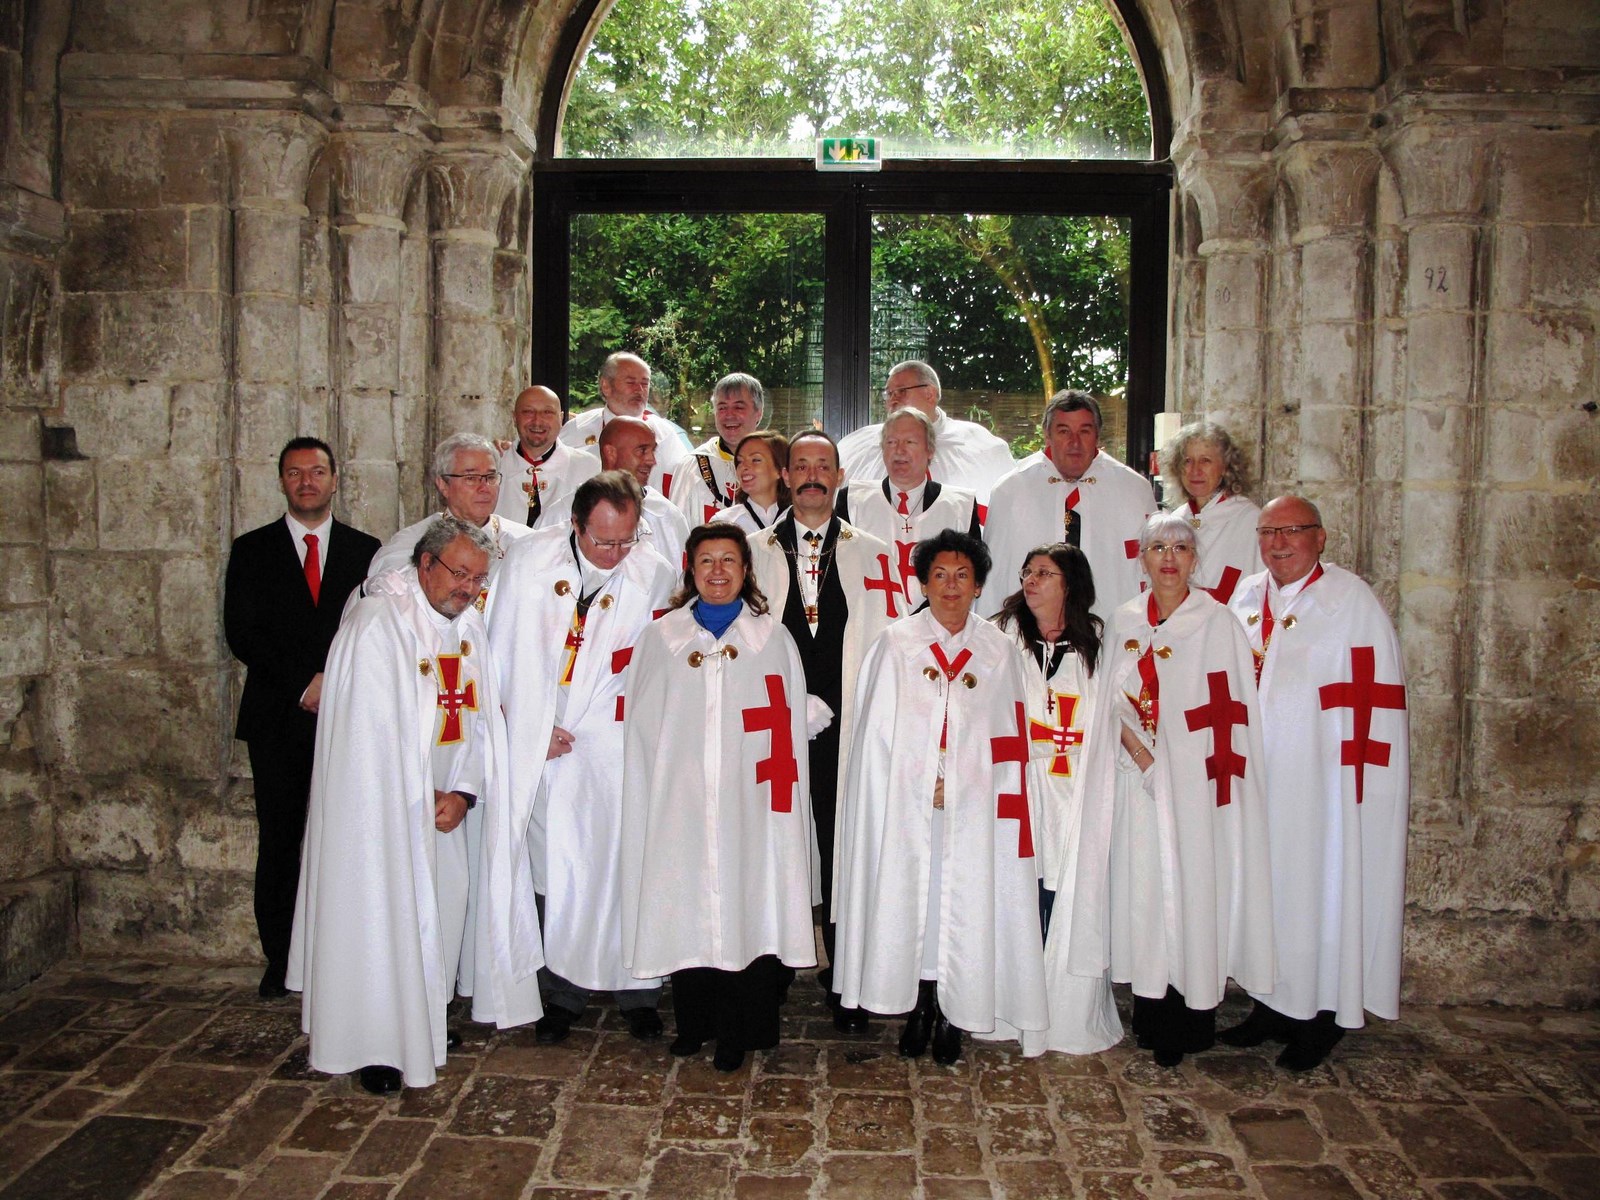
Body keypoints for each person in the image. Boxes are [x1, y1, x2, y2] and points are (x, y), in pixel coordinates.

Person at [288, 517, 529, 1094]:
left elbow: (477, 720)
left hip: (444, 810)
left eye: (478, 578)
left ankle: (423, 1020)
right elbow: (369, 742)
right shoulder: (379, 623)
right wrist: (418, 798)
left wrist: (464, 793)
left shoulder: (466, 627)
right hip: (381, 820)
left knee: (442, 911)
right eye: (459, 574)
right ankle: (374, 1040)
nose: (468, 588)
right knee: (380, 916)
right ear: (424, 564)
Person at [1068, 513, 1274, 1068]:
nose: (1169, 557)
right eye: (1158, 546)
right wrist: (1143, 753)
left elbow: (1231, 713)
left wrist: (1182, 763)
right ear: (1141, 556)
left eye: (1180, 547)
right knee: (1145, 892)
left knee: (1191, 888)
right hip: (1138, 782)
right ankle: (1152, 1012)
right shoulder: (1126, 620)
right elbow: (1107, 703)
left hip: (1199, 788)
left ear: (1194, 557)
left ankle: (1193, 1015)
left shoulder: (1219, 624)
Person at [834, 530, 1047, 1065]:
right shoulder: (896, 644)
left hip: (973, 809)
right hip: (908, 808)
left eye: (963, 576)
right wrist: (917, 780)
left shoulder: (997, 650)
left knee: (963, 906)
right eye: (939, 576)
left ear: (978, 585)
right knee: (914, 906)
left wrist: (964, 781)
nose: (951, 587)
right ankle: (920, 1006)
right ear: (923, 583)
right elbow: (876, 737)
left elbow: (1009, 736)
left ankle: (956, 1012)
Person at [480, 471, 678, 1042]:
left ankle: (637, 991)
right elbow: (499, 652)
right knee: (553, 864)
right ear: (574, 525)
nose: (616, 555)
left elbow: (657, 665)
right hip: (542, 746)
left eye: (626, 541)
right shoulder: (527, 563)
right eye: (603, 542)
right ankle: (558, 992)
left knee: (622, 859)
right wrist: (526, 726)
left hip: (614, 746)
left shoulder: (653, 572)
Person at [1222, 495, 1410, 1071]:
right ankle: (1271, 1004)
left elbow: (1371, 692)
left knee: (1321, 888)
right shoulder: (1246, 597)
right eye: (1269, 532)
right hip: (1260, 775)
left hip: (1322, 782)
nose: (1279, 543)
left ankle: (1323, 1014)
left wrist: (1351, 778)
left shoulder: (1348, 600)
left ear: (1320, 538)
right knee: (1267, 888)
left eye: (1293, 531)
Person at [620, 525, 817, 1072]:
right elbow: (641, 725)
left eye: (729, 560)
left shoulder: (770, 640)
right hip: (680, 801)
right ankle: (694, 1022)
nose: (717, 572)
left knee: (743, 902)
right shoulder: (661, 639)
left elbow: (785, 727)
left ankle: (740, 1030)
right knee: (685, 902)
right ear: (690, 568)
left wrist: (770, 799)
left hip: (750, 800)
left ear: (746, 570)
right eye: (706, 561)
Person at [745, 430, 898, 1031]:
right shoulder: (753, 550)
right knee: (775, 841)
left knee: (842, 844)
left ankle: (846, 976)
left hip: (850, 722)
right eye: (801, 465)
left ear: (839, 477)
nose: (812, 474)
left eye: (823, 465)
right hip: (771, 725)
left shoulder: (873, 551)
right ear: (785, 476)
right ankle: (771, 970)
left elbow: (892, 641)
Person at [224, 437, 380, 1000]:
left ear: (336, 479)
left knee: (348, 835)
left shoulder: (368, 550)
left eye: (317, 471)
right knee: (282, 836)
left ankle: (344, 954)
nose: (307, 481)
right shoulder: (252, 549)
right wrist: (303, 684)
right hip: (278, 716)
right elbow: (243, 633)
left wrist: (332, 682)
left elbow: (376, 627)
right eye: (295, 472)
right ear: (282, 481)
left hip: (349, 713)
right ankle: (282, 956)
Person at [993, 543, 1122, 1056]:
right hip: (1017, 787)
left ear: (1071, 583)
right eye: (1027, 571)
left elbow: (1117, 708)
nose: (1031, 580)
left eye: (1045, 573)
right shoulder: (1002, 636)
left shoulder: (1099, 641)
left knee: (1065, 890)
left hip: (1074, 790)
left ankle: (1061, 1005)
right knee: (1019, 888)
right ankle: (1014, 1004)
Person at [982, 391, 1155, 624]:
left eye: (1085, 431)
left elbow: (1151, 569)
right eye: (1064, 431)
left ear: (1097, 434)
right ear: (1047, 435)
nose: (1075, 443)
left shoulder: (1133, 490)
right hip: (1029, 635)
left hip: (1111, 628)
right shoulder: (1011, 491)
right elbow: (994, 575)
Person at [836, 408, 981, 610]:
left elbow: (970, 577)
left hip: (937, 628)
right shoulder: (852, 501)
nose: (899, 450)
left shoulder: (960, 507)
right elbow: (840, 570)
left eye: (910, 442)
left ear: (930, 450)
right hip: (868, 625)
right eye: (891, 442)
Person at [367, 432, 533, 606]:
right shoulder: (410, 545)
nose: (484, 488)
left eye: (491, 477)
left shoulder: (525, 541)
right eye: (471, 478)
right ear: (443, 485)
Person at [836, 360, 1014, 506]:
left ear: (930, 394)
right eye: (889, 394)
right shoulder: (855, 445)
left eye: (901, 391)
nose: (893, 399)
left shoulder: (981, 447)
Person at [544, 415, 690, 569]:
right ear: (611, 453)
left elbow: (681, 584)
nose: (652, 460)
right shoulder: (561, 514)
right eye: (642, 450)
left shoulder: (669, 517)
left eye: (652, 451)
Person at [558, 351, 692, 495]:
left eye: (644, 383)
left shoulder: (665, 435)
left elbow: (684, 488)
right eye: (631, 383)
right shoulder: (577, 429)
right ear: (606, 386)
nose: (639, 390)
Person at [1160, 420, 1260, 604]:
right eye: (1187, 461)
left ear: (1225, 468)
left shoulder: (1250, 520)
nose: (1195, 470)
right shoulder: (1174, 521)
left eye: (1205, 461)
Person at [493, 385, 601, 529]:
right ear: (514, 417)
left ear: (561, 418)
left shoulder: (590, 468)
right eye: (528, 412)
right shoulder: (494, 464)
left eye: (547, 412)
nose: (537, 421)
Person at [671, 373, 766, 526]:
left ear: (758, 413)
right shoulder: (692, 468)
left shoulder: (776, 465)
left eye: (738, 407)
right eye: (722, 408)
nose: (729, 415)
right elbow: (675, 531)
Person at [711, 431, 789, 534]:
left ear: (780, 471)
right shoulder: (724, 523)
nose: (744, 467)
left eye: (755, 460)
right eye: (740, 461)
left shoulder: (802, 518)